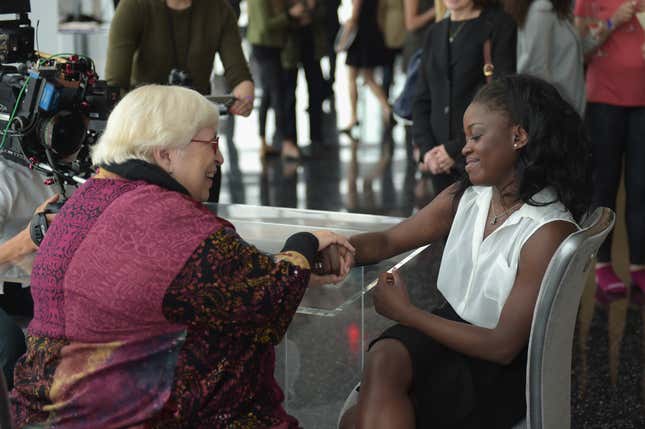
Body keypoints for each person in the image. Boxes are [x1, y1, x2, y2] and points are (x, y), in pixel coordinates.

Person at [10, 85, 355, 429]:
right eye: (211, 144)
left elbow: (197, 280)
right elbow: (269, 302)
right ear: (165, 153)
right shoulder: (167, 220)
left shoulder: (84, 201)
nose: (219, 159)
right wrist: (304, 243)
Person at [339, 74, 591, 428]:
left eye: (476, 136)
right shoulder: (468, 198)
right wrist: (335, 249)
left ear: (518, 137)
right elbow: (388, 241)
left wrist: (407, 313)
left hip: (496, 367)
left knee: (357, 420)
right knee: (383, 361)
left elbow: (502, 346)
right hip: (449, 333)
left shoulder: (547, 231)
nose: (465, 148)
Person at [106, 0, 255, 201]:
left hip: (198, 137)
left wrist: (245, 95)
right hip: (150, 138)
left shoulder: (219, 9)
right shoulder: (134, 6)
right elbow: (115, 83)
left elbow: (238, 73)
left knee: (204, 215)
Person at [573, 0, 645, 295]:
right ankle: (601, 265)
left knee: (641, 188)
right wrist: (614, 21)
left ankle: (639, 265)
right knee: (604, 186)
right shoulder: (586, 2)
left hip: (643, 105)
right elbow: (580, 50)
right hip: (603, 102)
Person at [412, 0, 516, 196]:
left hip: (479, 153)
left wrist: (454, 149)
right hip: (437, 159)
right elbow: (421, 98)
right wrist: (427, 151)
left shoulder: (498, 26)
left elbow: (501, 98)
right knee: (443, 224)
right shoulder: (434, 32)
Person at [506, 0, 586, 116]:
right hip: (558, 111)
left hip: (564, 107)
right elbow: (536, 69)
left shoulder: (553, 10)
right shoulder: (542, 9)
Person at [340, 0, 394, 133]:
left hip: (359, 35)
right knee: (369, 78)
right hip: (371, 32)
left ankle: (353, 117)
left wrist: (342, 40)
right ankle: (387, 108)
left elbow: (354, 17)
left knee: (352, 78)